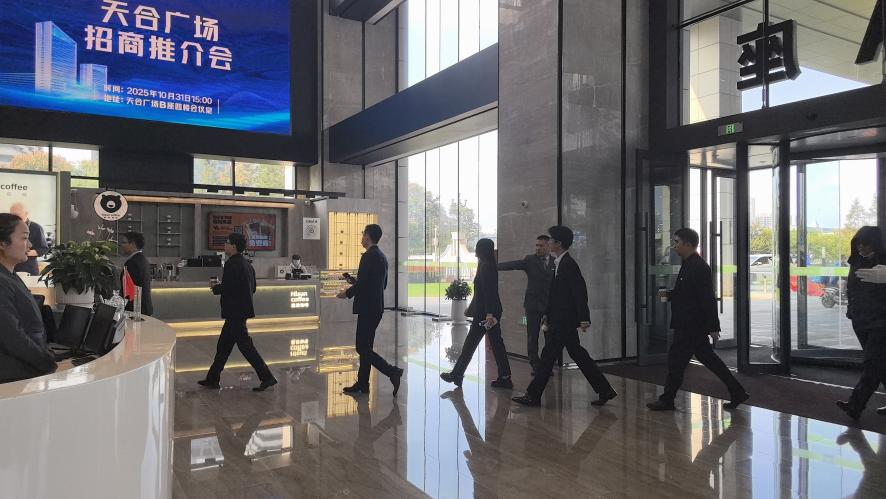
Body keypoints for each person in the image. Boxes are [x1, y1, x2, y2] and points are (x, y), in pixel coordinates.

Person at [512, 226, 617, 406]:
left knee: (547, 357)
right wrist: (547, 314)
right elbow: (556, 294)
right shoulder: (559, 263)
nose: (549, 243)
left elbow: (579, 292)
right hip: (560, 319)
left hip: (563, 321)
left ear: (558, 243)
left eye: (551, 240)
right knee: (577, 353)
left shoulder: (568, 264)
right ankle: (605, 389)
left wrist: (584, 318)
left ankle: (533, 395)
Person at [647, 228, 748, 411]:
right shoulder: (689, 264)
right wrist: (669, 295)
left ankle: (667, 399)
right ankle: (737, 391)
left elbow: (707, 298)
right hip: (690, 324)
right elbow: (687, 293)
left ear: (687, 244)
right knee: (708, 360)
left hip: (690, 325)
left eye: (677, 242)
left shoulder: (699, 267)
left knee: (676, 361)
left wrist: (714, 326)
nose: (674, 246)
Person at [198, 233, 277, 392]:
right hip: (241, 311)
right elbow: (252, 288)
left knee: (245, 347)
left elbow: (229, 287)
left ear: (233, 246)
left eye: (227, 242)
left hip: (235, 312)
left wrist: (216, 288)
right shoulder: (247, 264)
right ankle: (212, 378)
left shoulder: (231, 264)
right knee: (224, 346)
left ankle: (267, 377)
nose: (225, 245)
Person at [337, 224, 403, 396]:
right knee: (366, 347)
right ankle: (363, 384)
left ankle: (392, 371)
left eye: (363, 235)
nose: (362, 238)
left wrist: (347, 293)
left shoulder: (368, 256)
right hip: (376, 307)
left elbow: (364, 285)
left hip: (367, 308)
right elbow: (379, 284)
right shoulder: (381, 256)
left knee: (362, 347)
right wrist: (355, 282)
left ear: (367, 237)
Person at [441, 238, 513, 389]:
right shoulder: (487, 264)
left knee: (472, 344)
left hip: (486, 315)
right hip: (488, 312)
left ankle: (457, 374)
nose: (475, 249)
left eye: (477, 247)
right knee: (494, 345)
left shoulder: (486, 266)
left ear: (482, 249)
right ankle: (504, 377)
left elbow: (488, 292)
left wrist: (489, 314)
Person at [836, 226, 886, 420]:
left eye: (865, 243)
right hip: (861, 319)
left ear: (874, 243)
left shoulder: (883, 260)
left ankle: (855, 405)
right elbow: (852, 287)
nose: (861, 247)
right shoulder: (856, 261)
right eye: (858, 243)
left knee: (873, 363)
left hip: (880, 320)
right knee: (880, 364)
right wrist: (852, 310)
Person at [0, 213, 57, 383]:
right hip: (12, 377)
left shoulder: (10, 276)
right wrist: (47, 362)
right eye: (24, 238)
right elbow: (11, 336)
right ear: (2, 243)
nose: (30, 245)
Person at [498, 234, 557, 373]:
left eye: (541, 245)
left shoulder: (555, 262)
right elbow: (514, 265)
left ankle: (546, 365)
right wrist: (493, 266)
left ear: (548, 246)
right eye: (537, 245)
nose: (538, 248)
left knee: (550, 338)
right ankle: (535, 365)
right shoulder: (530, 260)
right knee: (532, 337)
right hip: (533, 306)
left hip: (549, 307)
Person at [119, 231, 153, 316]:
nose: (121, 245)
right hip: (143, 309)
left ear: (133, 244)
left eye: (124, 242)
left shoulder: (132, 263)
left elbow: (129, 291)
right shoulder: (142, 259)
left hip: (136, 311)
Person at [9, 202, 48, 276]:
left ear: (26, 214)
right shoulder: (7, 227)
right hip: (9, 269)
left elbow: (43, 249)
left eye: (17, 215)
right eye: (12, 215)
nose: (14, 218)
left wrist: (24, 253)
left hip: (28, 269)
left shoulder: (36, 228)